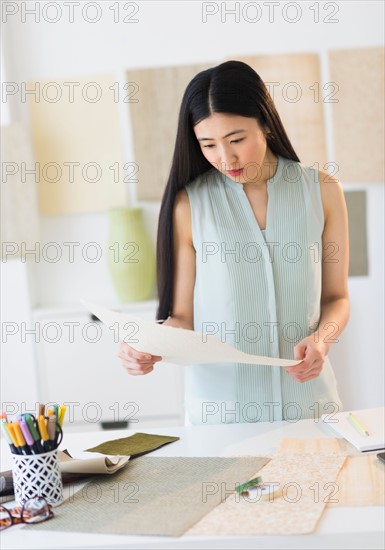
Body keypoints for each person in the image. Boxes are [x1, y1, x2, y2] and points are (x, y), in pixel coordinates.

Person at [118, 60, 350, 425]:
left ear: (266, 123)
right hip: (222, 412)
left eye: (236, 139)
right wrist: (147, 343)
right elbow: (182, 317)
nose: (225, 158)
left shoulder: (321, 190)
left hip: (309, 404)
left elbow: (337, 299)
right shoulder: (189, 204)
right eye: (208, 144)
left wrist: (322, 340)